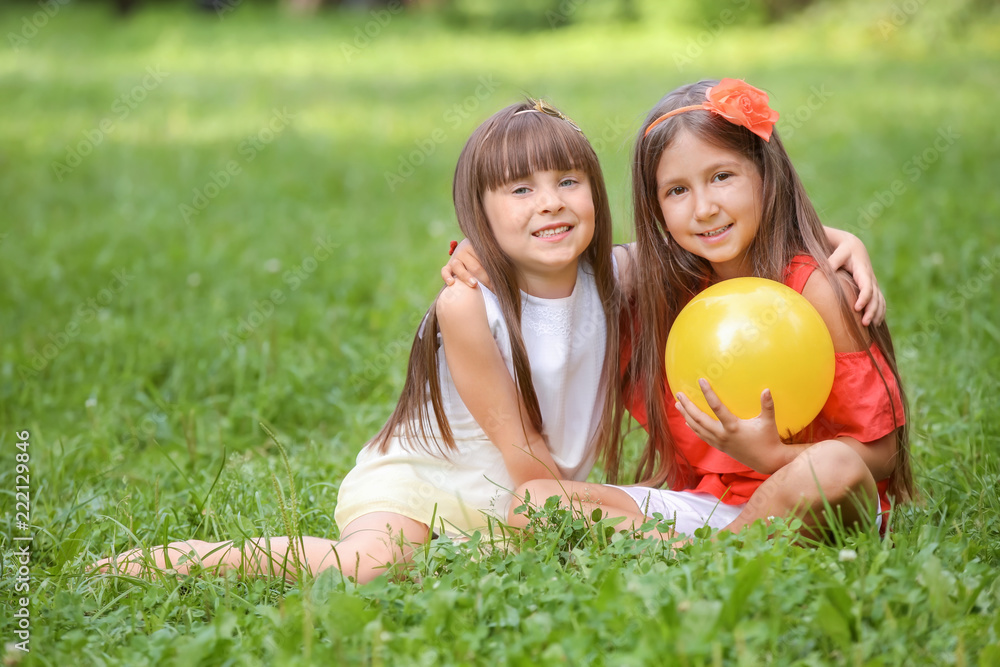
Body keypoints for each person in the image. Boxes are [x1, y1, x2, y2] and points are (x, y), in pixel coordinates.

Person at [93, 99, 628, 584]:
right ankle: (187, 559)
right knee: (371, 566)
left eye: (568, 181)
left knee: (474, 572)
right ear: (479, 213)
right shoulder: (468, 305)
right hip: (428, 483)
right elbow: (523, 451)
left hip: (521, 500)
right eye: (520, 189)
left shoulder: (616, 277)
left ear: (595, 192)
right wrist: (581, 518)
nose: (550, 202)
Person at [446, 79, 909, 541]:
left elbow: (879, 456)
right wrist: (481, 246)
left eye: (722, 177)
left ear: (767, 176)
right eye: (677, 191)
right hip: (707, 507)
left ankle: (712, 553)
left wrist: (770, 456)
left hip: (814, 498)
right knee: (536, 503)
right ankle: (720, 550)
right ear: (656, 208)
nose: (704, 208)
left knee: (834, 465)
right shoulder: (656, 286)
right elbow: (552, 257)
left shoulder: (819, 292)